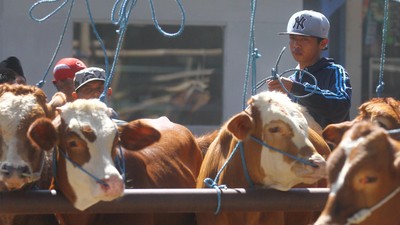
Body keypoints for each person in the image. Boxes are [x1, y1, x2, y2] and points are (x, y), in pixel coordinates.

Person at [267, 10, 352, 129]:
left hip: (329, 147)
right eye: (293, 38)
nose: (296, 45)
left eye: (304, 39)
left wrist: (296, 88)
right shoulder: (290, 81)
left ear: (323, 43)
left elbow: (341, 105)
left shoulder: (335, 72)